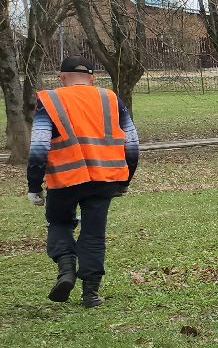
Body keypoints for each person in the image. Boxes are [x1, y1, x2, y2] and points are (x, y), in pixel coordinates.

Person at [26, 56, 139, 308]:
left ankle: (66, 270)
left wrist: (34, 185)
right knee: (94, 233)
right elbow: (132, 142)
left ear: (61, 76)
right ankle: (91, 293)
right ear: (92, 78)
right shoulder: (111, 99)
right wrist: (125, 179)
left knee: (60, 222)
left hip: (65, 179)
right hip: (104, 178)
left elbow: (39, 145)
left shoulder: (50, 100)